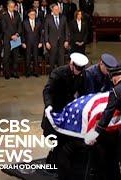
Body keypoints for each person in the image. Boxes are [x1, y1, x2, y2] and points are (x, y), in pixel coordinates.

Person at [42, 52, 89, 180]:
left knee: (64, 141)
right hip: (56, 109)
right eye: (77, 68)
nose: (78, 72)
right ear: (71, 64)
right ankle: (53, 163)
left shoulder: (82, 74)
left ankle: (60, 165)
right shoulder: (58, 73)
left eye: (81, 69)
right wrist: (48, 106)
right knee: (57, 140)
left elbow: (83, 92)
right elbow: (47, 91)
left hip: (69, 112)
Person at [44, 3, 70, 72]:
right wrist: (46, 42)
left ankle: (61, 73)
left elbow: (66, 30)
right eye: (55, 9)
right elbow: (46, 31)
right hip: (52, 43)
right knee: (52, 59)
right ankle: (52, 74)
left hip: (62, 42)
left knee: (61, 59)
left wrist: (67, 40)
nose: (57, 10)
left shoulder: (63, 18)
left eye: (58, 9)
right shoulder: (48, 18)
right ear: (52, 10)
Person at [1, 0, 22, 79]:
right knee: (7, 56)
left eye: (13, 6)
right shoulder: (4, 15)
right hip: (8, 39)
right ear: (7, 6)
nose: (12, 8)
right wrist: (11, 36)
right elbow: (4, 28)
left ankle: (15, 72)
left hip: (16, 39)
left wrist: (17, 34)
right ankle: (7, 73)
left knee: (15, 56)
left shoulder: (17, 14)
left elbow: (20, 25)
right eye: (10, 6)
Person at [22, 9, 43, 77]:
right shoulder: (24, 22)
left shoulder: (39, 22)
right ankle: (27, 72)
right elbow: (22, 33)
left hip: (36, 42)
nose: (33, 16)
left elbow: (41, 33)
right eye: (31, 14)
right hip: (27, 42)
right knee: (27, 58)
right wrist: (23, 42)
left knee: (35, 58)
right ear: (28, 14)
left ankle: (36, 72)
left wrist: (41, 42)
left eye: (34, 14)